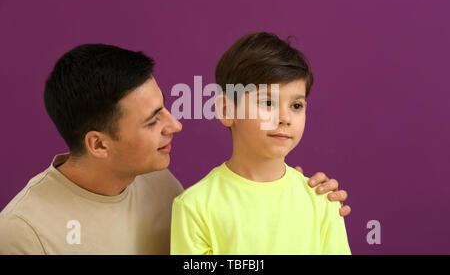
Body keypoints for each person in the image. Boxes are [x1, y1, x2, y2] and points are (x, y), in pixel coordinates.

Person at [0, 44, 350, 254]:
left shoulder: (160, 185)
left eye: (165, 107)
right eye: (153, 121)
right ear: (99, 144)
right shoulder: (23, 232)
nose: (176, 124)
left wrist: (291, 194)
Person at [170, 32, 351, 255]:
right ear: (227, 110)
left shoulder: (323, 201)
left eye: (296, 106)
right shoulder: (194, 207)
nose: (285, 118)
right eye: (268, 102)